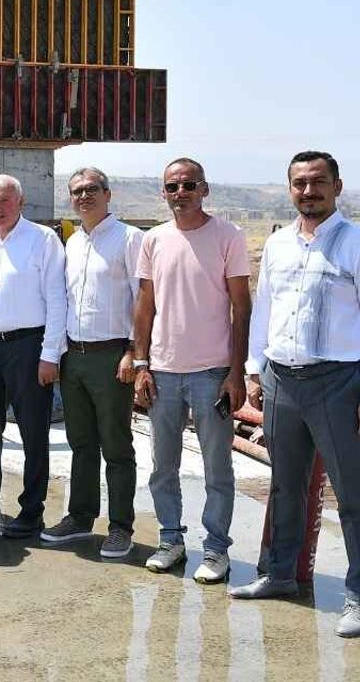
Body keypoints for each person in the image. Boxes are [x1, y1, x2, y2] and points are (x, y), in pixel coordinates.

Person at [231, 151, 360, 638]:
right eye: (300, 183)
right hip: (282, 379)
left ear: (337, 186)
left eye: (318, 182)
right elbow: (264, 308)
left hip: (339, 381)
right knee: (286, 485)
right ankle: (279, 574)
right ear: (289, 189)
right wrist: (255, 370)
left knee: (352, 493)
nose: (309, 191)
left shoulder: (354, 243)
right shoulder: (279, 244)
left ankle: (357, 595)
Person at [133, 157, 250, 583]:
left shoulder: (228, 236)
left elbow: (242, 308)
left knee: (217, 469)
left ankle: (216, 549)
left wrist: (236, 373)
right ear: (163, 193)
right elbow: (145, 306)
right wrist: (141, 364)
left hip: (211, 374)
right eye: (172, 186)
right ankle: (171, 540)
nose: (180, 193)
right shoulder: (154, 240)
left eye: (188, 185)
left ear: (205, 189)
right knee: (162, 466)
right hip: (163, 372)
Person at [42, 168, 142, 558]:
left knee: (116, 445)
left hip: (112, 356)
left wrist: (134, 352)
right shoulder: (73, 242)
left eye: (91, 190)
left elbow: (143, 299)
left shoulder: (129, 239)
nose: (84, 196)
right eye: (77, 191)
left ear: (108, 194)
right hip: (75, 357)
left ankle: (120, 527)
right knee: (81, 443)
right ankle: (80, 517)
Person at [0, 174, 67, 537]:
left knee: (33, 430)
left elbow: (57, 299)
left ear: (21, 202)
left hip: (29, 346)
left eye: (5, 200)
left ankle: (32, 509)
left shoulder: (42, 240)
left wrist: (50, 354)